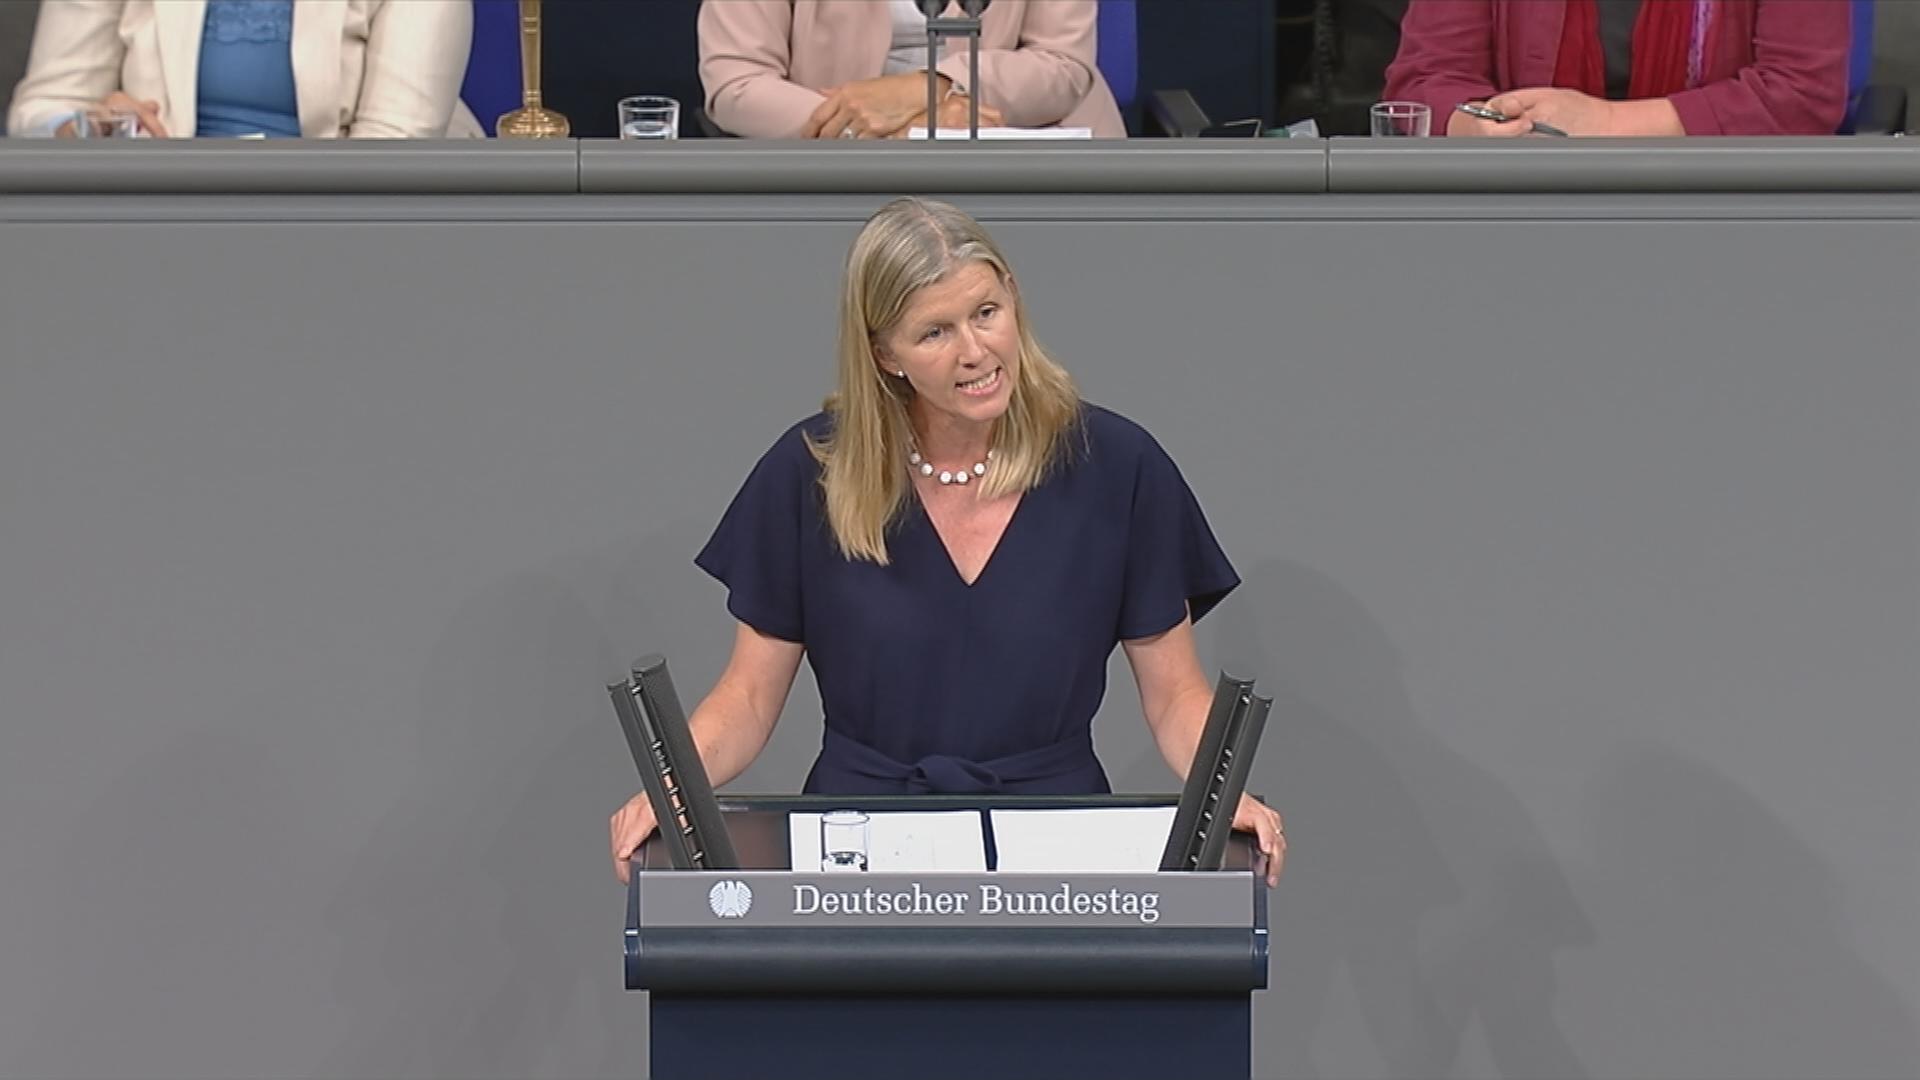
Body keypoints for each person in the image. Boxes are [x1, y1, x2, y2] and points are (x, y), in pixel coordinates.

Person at [610, 197, 1284, 884]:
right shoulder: (811, 472)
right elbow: (749, 697)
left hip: (1055, 846)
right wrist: (672, 789)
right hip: (858, 850)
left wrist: (1223, 796)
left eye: (986, 313)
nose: (975, 352)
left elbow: (1174, 697)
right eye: (935, 332)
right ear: (885, 353)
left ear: (1012, 296)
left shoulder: (1118, 466)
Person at [7, 0, 478, 139]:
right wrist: (91, 129)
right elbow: (39, 110)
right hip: (157, 219)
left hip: (339, 227)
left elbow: (393, 147)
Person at [1382, 0, 1849, 137]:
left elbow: (1801, 95)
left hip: (1720, 215)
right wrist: (1479, 125)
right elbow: (1426, 79)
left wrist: (1604, 123)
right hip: (1520, 209)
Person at [697, 0, 1125, 139]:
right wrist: (878, 134)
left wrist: (933, 88)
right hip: (837, 165)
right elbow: (739, 82)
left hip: (1025, 145)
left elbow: (1061, 65)